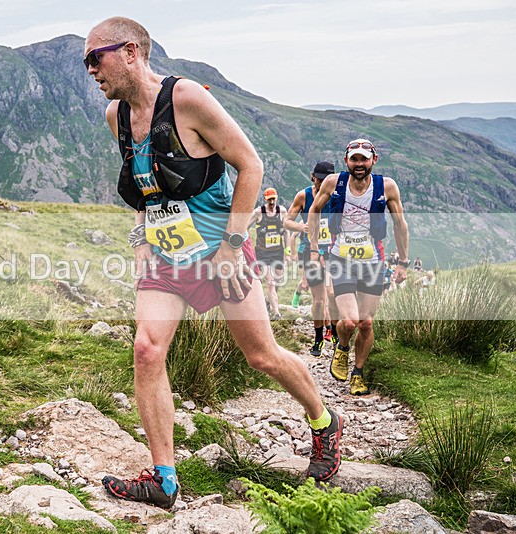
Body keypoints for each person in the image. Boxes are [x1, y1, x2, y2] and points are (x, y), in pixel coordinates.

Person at [84, 16, 343, 509]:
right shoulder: (115, 116)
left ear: (132, 51)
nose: (91, 70)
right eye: (87, 61)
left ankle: (324, 421)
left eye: (96, 58)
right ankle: (164, 480)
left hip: (220, 251)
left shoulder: (187, 100)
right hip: (166, 254)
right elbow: (145, 182)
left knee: (261, 355)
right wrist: (141, 236)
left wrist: (231, 247)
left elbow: (252, 165)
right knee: (146, 349)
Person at [308, 139, 409, 396]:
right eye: (354, 159)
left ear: (374, 160)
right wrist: (313, 247)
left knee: (366, 323)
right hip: (341, 258)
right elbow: (314, 211)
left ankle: (358, 373)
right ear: (347, 161)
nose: (359, 164)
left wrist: (402, 264)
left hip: (373, 260)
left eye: (364, 159)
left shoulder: (386, 186)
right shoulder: (334, 183)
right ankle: (342, 347)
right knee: (350, 322)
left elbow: (400, 225)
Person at [285, 162, 339, 356]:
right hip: (310, 251)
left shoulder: (337, 196)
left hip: (333, 250)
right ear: (312, 177)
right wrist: (303, 227)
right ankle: (318, 339)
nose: (322, 182)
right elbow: (287, 221)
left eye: (326, 179)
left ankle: (333, 332)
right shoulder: (304, 196)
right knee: (318, 301)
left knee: (332, 295)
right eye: (319, 179)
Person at [248, 187, 288, 320]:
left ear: (277, 197)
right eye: (269, 199)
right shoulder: (259, 212)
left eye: (273, 199)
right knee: (270, 283)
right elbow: (245, 228)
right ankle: (276, 313)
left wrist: (288, 251)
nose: (272, 202)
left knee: (278, 281)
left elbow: (287, 231)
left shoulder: (282, 211)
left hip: (278, 251)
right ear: (265, 199)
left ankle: (269, 300)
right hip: (263, 253)